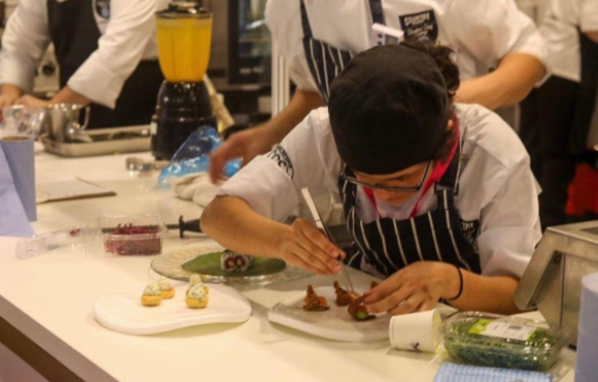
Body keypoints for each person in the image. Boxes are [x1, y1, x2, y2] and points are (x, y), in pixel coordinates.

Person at [201, 42, 541, 315]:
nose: (386, 197)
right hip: (369, 321)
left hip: (467, 333)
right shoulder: (324, 132)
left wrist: (450, 282)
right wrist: (281, 241)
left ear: (448, 136)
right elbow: (217, 216)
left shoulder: (493, 155)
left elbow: (521, 294)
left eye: (404, 179)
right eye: (366, 181)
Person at [208, 0, 549, 182]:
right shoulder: (284, 9)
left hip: (462, 178)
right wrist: (267, 135)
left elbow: (527, 55)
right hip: (363, 194)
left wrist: (435, 104)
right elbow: (317, 91)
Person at [0, 0, 167, 129]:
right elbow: (20, 46)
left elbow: (115, 53)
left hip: (137, 127)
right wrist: (9, 95)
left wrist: (54, 108)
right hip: (72, 130)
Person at [519, 0, 598, 228]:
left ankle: (528, 220)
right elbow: (593, 26)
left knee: (531, 147)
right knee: (558, 151)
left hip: (530, 65)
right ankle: (549, 224)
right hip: (564, 68)